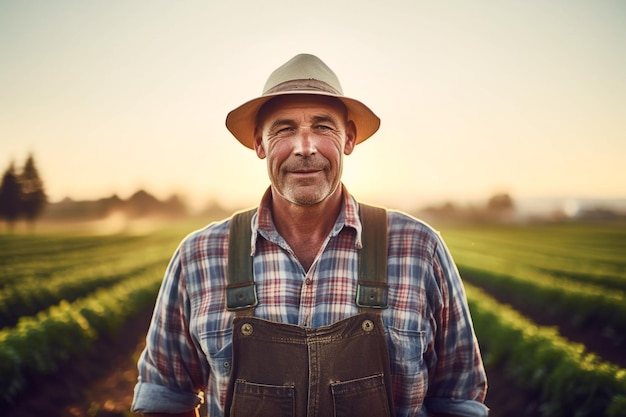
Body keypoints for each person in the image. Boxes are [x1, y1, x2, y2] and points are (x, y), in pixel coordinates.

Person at [131, 53, 488, 417]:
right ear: (259, 144)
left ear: (348, 139)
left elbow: (458, 401)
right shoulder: (199, 256)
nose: (305, 147)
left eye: (323, 127)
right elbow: (165, 397)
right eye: (284, 129)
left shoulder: (419, 249)